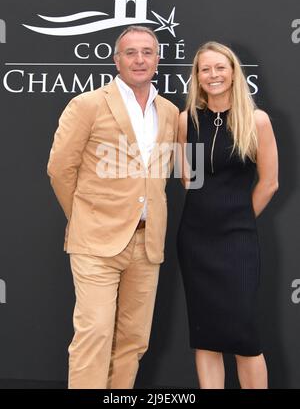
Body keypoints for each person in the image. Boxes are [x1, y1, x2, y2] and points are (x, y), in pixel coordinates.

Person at [47, 25, 179, 389]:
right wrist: (84, 217)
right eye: (131, 52)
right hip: (96, 242)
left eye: (147, 52)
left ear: (157, 59)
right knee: (95, 336)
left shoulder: (168, 111)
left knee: (134, 341)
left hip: (147, 243)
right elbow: (60, 168)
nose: (140, 59)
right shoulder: (88, 104)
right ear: (116, 59)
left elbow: (161, 173)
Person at [177, 41, 278, 389]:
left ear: (234, 72)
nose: (213, 75)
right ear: (198, 76)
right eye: (205, 69)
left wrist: (237, 218)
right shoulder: (186, 119)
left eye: (220, 67)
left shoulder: (257, 120)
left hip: (237, 240)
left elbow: (269, 184)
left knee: (243, 336)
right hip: (195, 239)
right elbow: (188, 176)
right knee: (206, 335)